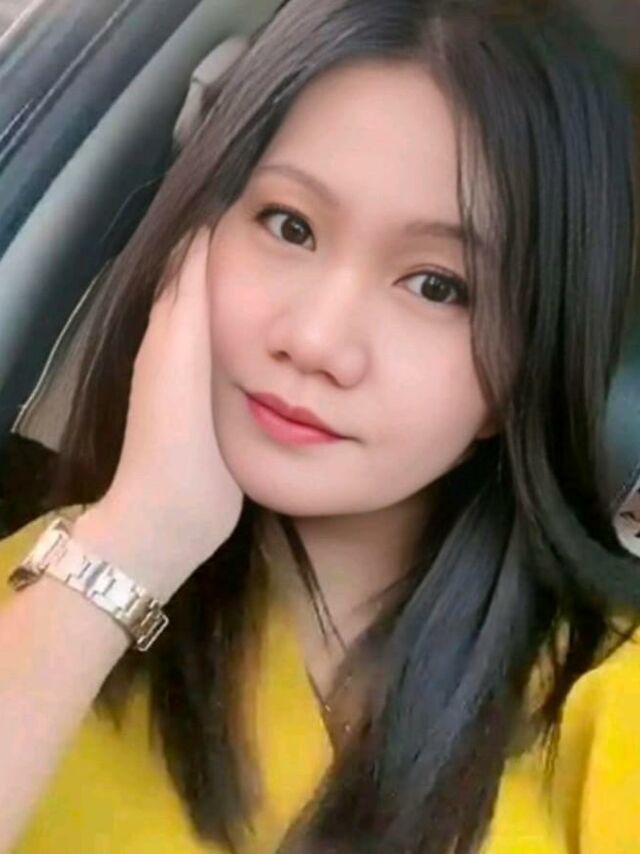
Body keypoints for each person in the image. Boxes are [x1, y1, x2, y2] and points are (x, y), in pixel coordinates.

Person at [1, 0, 639, 851]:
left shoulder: (609, 699)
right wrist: (140, 544)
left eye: (438, 286)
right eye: (289, 226)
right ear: (195, 238)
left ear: (527, 365)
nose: (315, 341)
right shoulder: (50, 584)